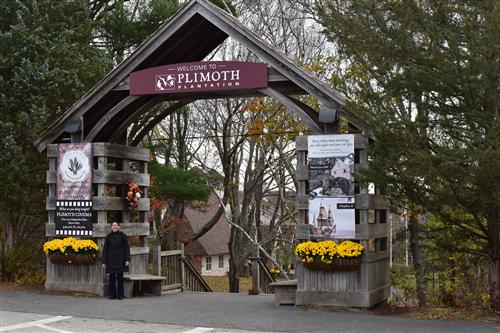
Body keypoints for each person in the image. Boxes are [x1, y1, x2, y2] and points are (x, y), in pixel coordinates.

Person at [101, 222, 130, 300]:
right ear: (111, 227)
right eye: (113, 225)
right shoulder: (108, 237)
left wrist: (127, 259)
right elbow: (105, 250)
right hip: (110, 260)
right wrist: (103, 261)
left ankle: (120, 295)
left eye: (116, 225)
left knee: (120, 278)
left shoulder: (123, 236)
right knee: (112, 278)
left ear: (119, 227)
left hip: (121, 259)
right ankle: (112, 295)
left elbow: (127, 248)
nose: (115, 226)